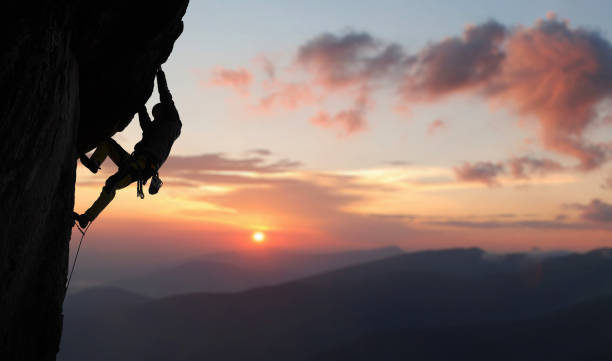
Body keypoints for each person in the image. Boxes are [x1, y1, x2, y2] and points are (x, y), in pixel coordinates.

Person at [74, 67, 181, 228]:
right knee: (107, 143)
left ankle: (87, 218)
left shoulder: (172, 122)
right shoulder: (155, 128)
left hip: (142, 166)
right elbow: (145, 121)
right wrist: (140, 104)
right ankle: (95, 163)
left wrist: (159, 73)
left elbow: (165, 95)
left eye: (157, 112)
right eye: (154, 114)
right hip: (133, 160)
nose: (155, 116)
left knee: (111, 184)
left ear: (164, 111)